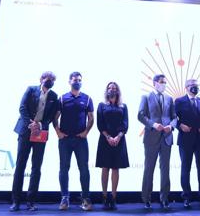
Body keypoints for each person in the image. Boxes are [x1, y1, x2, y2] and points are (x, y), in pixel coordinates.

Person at [10, 71, 59, 211]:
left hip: (40, 133)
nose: (49, 81)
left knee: (36, 168)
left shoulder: (54, 96)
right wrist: (30, 124)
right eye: (47, 78)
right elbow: (22, 107)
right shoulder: (31, 89)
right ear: (41, 79)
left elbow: (51, 116)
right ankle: (16, 201)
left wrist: (40, 125)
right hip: (26, 131)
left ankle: (30, 202)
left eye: (52, 80)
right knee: (20, 166)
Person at [54, 72, 94, 211]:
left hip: (80, 140)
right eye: (75, 80)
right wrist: (58, 132)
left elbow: (91, 118)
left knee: (84, 169)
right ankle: (65, 198)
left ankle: (85, 198)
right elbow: (55, 117)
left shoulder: (87, 99)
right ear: (69, 81)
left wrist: (86, 132)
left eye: (79, 80)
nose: (77, 82)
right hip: (65, 140)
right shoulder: (62, 98)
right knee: (64, 169)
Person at [138, 74, 177, 209]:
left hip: (167, 138)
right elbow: (140, 115)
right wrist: (154, 125)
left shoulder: (169, 98)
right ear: (154, 83)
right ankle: (146, 198)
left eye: (165, 82)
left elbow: (174, 117)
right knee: (149, 168)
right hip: (151, 137)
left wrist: (171, 126)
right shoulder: (146, 97)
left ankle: (164, 198)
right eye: (161, 82)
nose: (164, 84)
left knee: (165, 170)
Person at [174, 79, 200, 208]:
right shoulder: (179, 101)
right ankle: (187, 198)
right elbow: (173, 118)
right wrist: (180, 126)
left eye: (196, 86)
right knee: (186, 169)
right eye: (192, 86)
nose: (195, 88)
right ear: (186, 87)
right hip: (185, 139)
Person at [95, 82, 129, 210]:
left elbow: (125, 124)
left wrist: (118, 137)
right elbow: (100, 124)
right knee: (105, 168)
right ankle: (104, 196)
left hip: (119, 140)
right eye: (110, 88)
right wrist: (108, 137)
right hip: (105, 139)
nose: (112, 90)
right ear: (107, 90)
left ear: (118, 91)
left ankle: (113, 197)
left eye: (114, 88)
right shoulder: (102, 105)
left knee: (115, 168)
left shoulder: (123, 106)